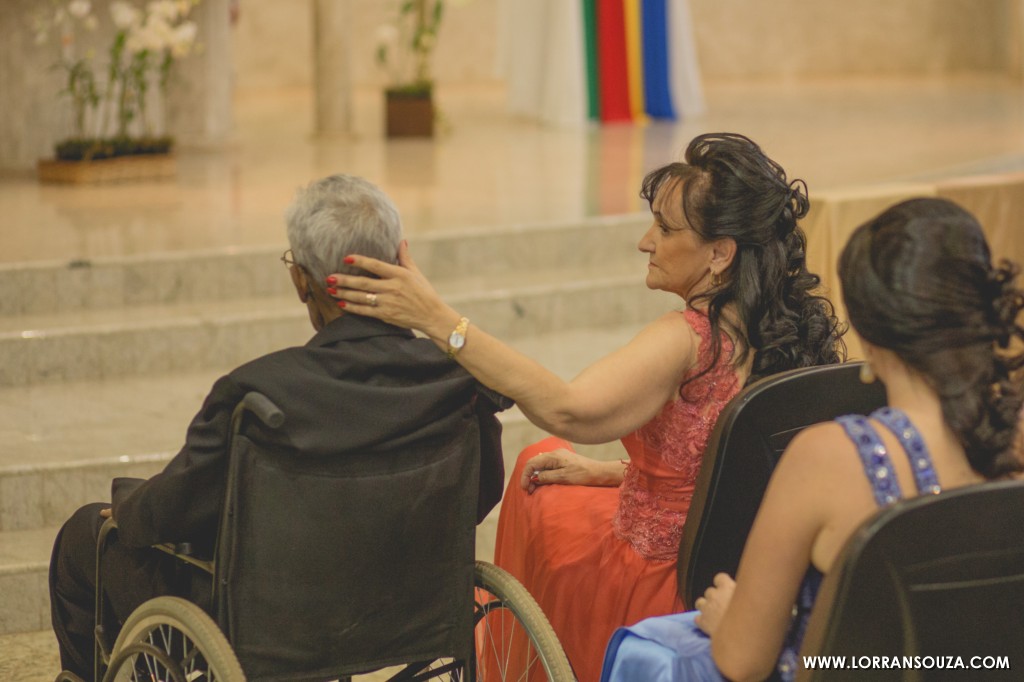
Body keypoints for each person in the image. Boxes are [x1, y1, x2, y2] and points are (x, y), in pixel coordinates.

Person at [325, 133, 845, 681]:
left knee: (535, 470)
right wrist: (611, 473)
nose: (646, 242)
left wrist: (439, 321)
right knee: (550, 464)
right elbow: (724, 467)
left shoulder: (687, 338)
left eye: (665, 230)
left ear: (720, 253)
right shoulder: (785, 334)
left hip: (662, 583)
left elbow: (569, 410)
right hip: (741, 565)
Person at [48, 175, 510, 680]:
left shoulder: (258, 393)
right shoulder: (457, 379)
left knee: (85, 538)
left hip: (269, 618)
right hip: (409, 600)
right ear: (401, 264)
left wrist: (130, 512)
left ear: (303, 282)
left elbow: (179, 512)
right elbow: (481, 493)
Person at [599, 197, 1024, 682]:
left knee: (652, 653)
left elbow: (744, 660)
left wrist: (726, 618)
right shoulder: (1012, 432)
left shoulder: (830, 459)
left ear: (870, 327)